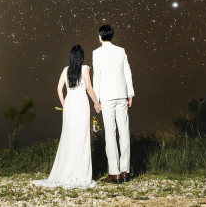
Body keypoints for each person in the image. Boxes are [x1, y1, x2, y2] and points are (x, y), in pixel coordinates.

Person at [31, 44, 99, 189]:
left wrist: (64, 104)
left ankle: (66, 171)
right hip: (80, 103)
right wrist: (97, 103)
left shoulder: (65, 70)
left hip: (69, 104)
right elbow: (88, 88)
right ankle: (80, 173)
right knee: (81, 136)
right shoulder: (85, 68)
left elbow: (59, 88)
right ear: (81, 57)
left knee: (69, 137)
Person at [92, 24, 134, 184]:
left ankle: (114, 173)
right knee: (124, 132)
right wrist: (130, 93)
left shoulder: (97, 53)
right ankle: (125, 171)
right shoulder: (121, 50)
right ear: (112, 35)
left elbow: (97, 77)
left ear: (100, 36)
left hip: (107, 97)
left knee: (110, 133)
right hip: (122, 94)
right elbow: (127, 72)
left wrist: (96, 100)